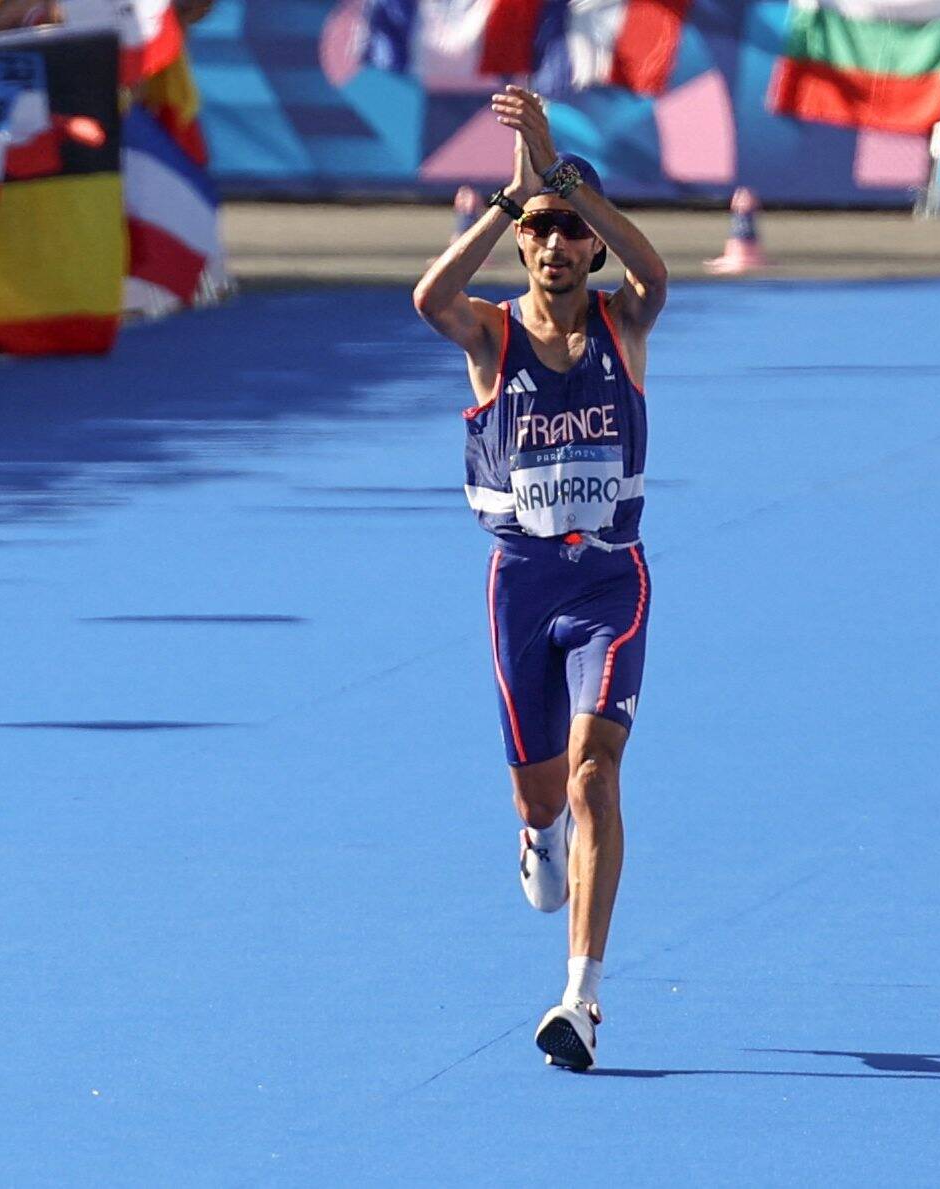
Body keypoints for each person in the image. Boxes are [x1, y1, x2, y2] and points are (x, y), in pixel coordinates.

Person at [412, 86, 667, 1070]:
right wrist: (504, 200)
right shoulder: (489, 336)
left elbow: (651, 268)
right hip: (520, 586)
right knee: (540, 794)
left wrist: (565, 181)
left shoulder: (625, 325)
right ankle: (535, 833)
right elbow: (425, 300)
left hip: (610, 582)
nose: (556, 243)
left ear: (589, 247)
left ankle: (579, 999)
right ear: (521, 246)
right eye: (542, 231)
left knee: (595, 770)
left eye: (571, 231)